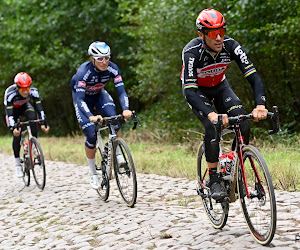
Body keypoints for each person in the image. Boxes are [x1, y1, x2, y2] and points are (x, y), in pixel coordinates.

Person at [181, 9, 268, 200]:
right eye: (213, 34)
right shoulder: (191, 52)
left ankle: (235, 170)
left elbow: (254, 78)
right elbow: (189, 91)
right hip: (198, 92)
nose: (219, 37)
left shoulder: (231, 46)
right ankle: (213, 179)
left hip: (221, 87)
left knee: (243, 124)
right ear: (201, 35)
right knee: (212, 126)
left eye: (222, 31)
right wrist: (211, 114)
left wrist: (260, 105)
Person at [70, 41, 132, 190]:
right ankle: (92, 173)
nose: (104, 62)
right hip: (83, 100)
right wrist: (91, 116)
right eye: (100, 59)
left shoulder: (112, 68)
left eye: (107, 58)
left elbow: (121, 91)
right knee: (91, 133)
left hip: (99, 95)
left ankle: (116, 152)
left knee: (115, 119)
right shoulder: (83, 72)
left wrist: (125, 109)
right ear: (92, 59)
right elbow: (79, 99)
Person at [4, 72, 50, 177]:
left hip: (25, 107)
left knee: (32, 117)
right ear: (17, 87)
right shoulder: (10, 94)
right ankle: (17, 164)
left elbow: (40, 108)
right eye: (22, 89)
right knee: (17, 134)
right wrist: (13, 128)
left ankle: (34, 145)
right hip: (13, 112)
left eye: (27, 89)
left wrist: (43, 123)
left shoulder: (33, 91)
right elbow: (9, 115)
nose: (25, 92)